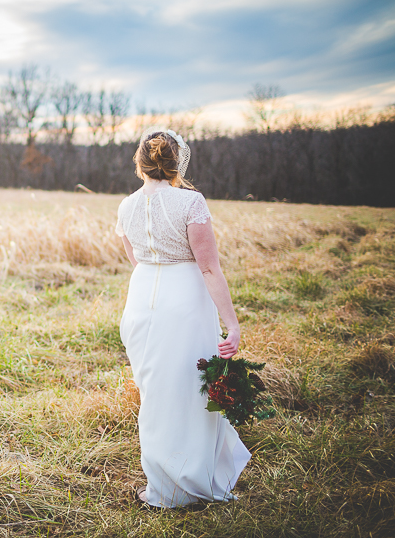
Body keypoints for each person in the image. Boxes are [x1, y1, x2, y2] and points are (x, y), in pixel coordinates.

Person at [115, 128, 250, 508]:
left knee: (156, 393)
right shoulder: (190, 203)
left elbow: (138, 261)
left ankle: (163, 482)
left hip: (142, 303)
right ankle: (190, 478)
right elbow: (209, 269)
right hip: (184, 304)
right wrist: (232, 324)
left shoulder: (125, 206)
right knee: (190, 391)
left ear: (140, 164)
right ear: (176, 164)